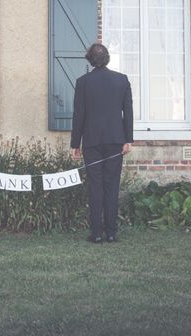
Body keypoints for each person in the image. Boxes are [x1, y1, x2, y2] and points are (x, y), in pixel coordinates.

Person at [71, 43, 133, 244]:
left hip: (91, 142)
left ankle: (97, 234)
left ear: (90, 60)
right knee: (112, 186)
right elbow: (128, 113)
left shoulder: (83, 82)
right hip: (116, 140)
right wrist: (128, 140)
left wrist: (75, 144)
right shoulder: (121, 80)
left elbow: (79, 115)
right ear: (107, 58)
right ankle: (112, 233)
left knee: (95, 187)